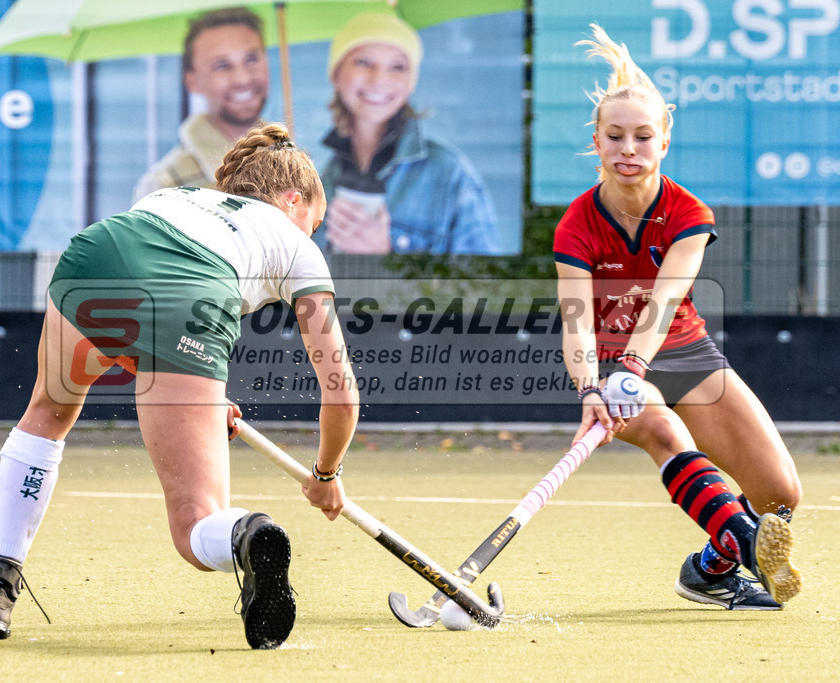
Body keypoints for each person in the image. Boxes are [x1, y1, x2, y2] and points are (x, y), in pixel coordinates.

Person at [0, 124, 360, 649]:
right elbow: (341, 391)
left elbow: (138, 317)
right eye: (315, 221)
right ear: (292, 199)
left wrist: (199, 394)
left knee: (49, 412)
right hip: (187, 298)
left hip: (95, 256)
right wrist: (325, 473)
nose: (313, 234)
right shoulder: (296, 249)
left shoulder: (176, 195)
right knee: (196, 523)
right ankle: (246, 533)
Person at [553, 25, 802, 610]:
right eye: (614, 137)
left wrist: (639, 364)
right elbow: (575, 321)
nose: (628, 149)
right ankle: (745, 547)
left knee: (779, 495)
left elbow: (666, 298)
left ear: (664, 141)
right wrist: (593, 387)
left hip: (681, 351)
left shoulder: (688, 212)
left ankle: (711, 570)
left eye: (643, 137)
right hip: (608, 357)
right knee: (665, 433)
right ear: (597, 143)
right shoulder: (576, 225)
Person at [316, 12, 502, 256]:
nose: (379, 79)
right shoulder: (318, 179)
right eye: (363, 62)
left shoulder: (450, 174)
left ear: (410, 82)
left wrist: (385, 255)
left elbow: (487, 284)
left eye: (397, 66)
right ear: (336, 74)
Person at [132, 8, 269, 202]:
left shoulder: (295, 165)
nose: (242, 78)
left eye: (252, 59)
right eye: (221, 65)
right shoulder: (164, 188)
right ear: (191, 81)